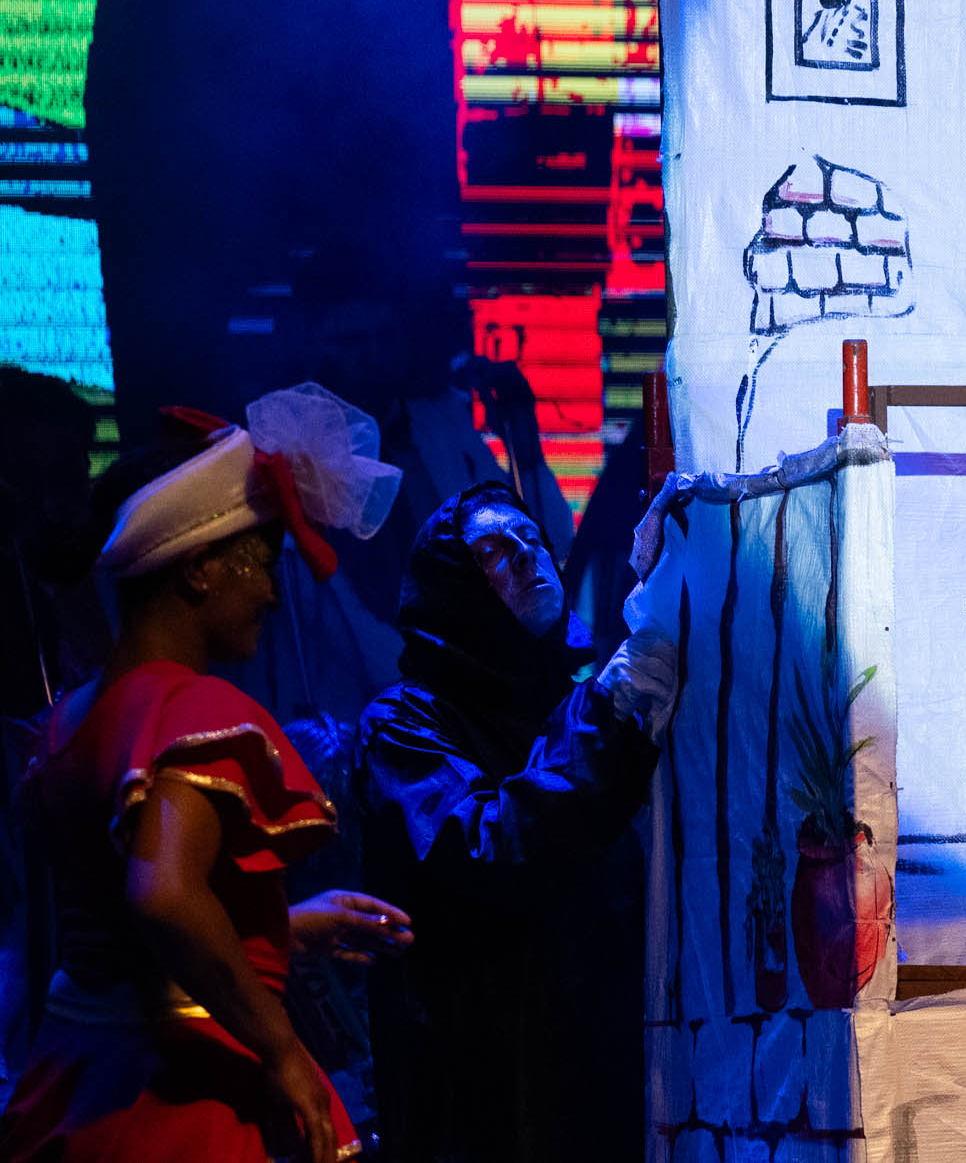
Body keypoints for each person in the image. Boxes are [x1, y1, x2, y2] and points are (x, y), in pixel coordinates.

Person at [0, 387, 412, 1163]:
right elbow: (161, 895)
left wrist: (281, 927)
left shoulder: (71, 718)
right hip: (176, 1099)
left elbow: (119, 930)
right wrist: (282, 1046)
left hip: (81, 1078)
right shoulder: (187, 709)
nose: (271, 593)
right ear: (199, 570)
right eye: (261, 565)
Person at [355, 482, 681, 1163]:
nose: (528, 555)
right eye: (494, 551)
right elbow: (488, 845)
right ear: (455, 585)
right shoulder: (404, 723)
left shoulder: (570, 703)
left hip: (598, 1071)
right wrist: (607, 721)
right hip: (482, 1085)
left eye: (532, 538)